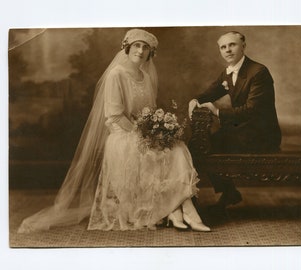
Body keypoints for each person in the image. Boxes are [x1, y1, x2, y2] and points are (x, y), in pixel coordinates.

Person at [18, 29, 210, 233]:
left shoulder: (145, 76)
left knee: (177, 148)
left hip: (142, 132)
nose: (140, 50)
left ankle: (178, 210)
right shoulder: (115, 74)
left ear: (150, 53)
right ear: (127, 48)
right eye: (136, 45)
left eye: (145, 47)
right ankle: (180, 211)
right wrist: (144, 134)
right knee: (154, 153)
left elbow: (148, 112)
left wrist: (157, 129)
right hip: (122, 135)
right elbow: (115, 115)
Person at [188, 31, 281, 212]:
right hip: (242, 131)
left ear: (243, 46)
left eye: (232, 45)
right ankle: (228, 191)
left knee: (202, 146)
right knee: (197, 145)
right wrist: (195, 99)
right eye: (223, 47)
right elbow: (211, 92)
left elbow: (252, 110)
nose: (228, 50)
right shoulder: (228, 72)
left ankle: (227, 192)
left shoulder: (259, 72)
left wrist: (216, 111)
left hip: (262, 135)